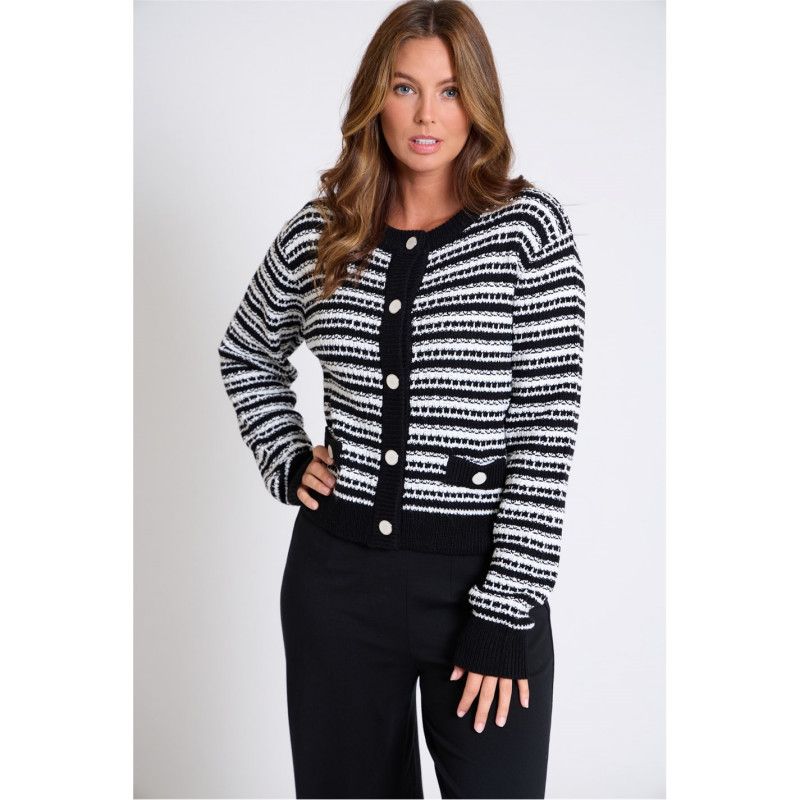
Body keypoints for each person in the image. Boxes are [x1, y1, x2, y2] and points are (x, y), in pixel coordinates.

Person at [218, 1, 585, 797]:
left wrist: (505, 611)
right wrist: (286, 456)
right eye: (405, 87)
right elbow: (246, 349)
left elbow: (545, 436)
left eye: (450, 91)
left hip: (480, 586)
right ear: (374, 98)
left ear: (478, 103)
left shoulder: (527, 232)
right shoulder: (323, 233)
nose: (426, 116)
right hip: (336, 587)